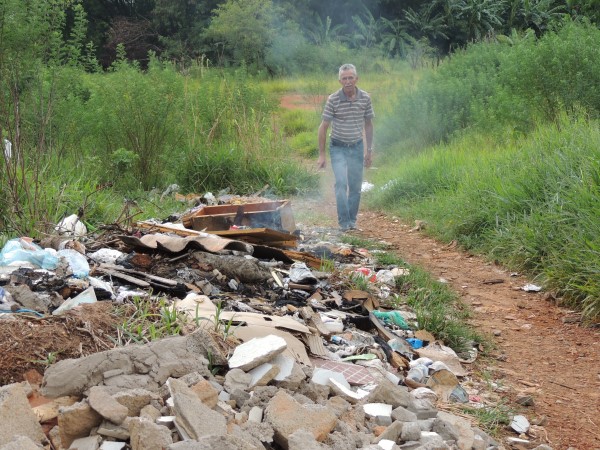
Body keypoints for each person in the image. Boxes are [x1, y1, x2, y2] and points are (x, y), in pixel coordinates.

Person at [318, 63, 374, 231]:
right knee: (341, 183)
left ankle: (352, 221)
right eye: (344, 78)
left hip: (356, 146)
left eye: (351, 78)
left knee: (355, 186)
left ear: (356, 79)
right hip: (338, 147)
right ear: (339, 80)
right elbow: (323, 127)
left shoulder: (365, 98)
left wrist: (369, 151)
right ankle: (344, 223)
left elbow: (369, 124)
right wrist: (322, 155)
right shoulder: (333, 99)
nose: (348, 81)